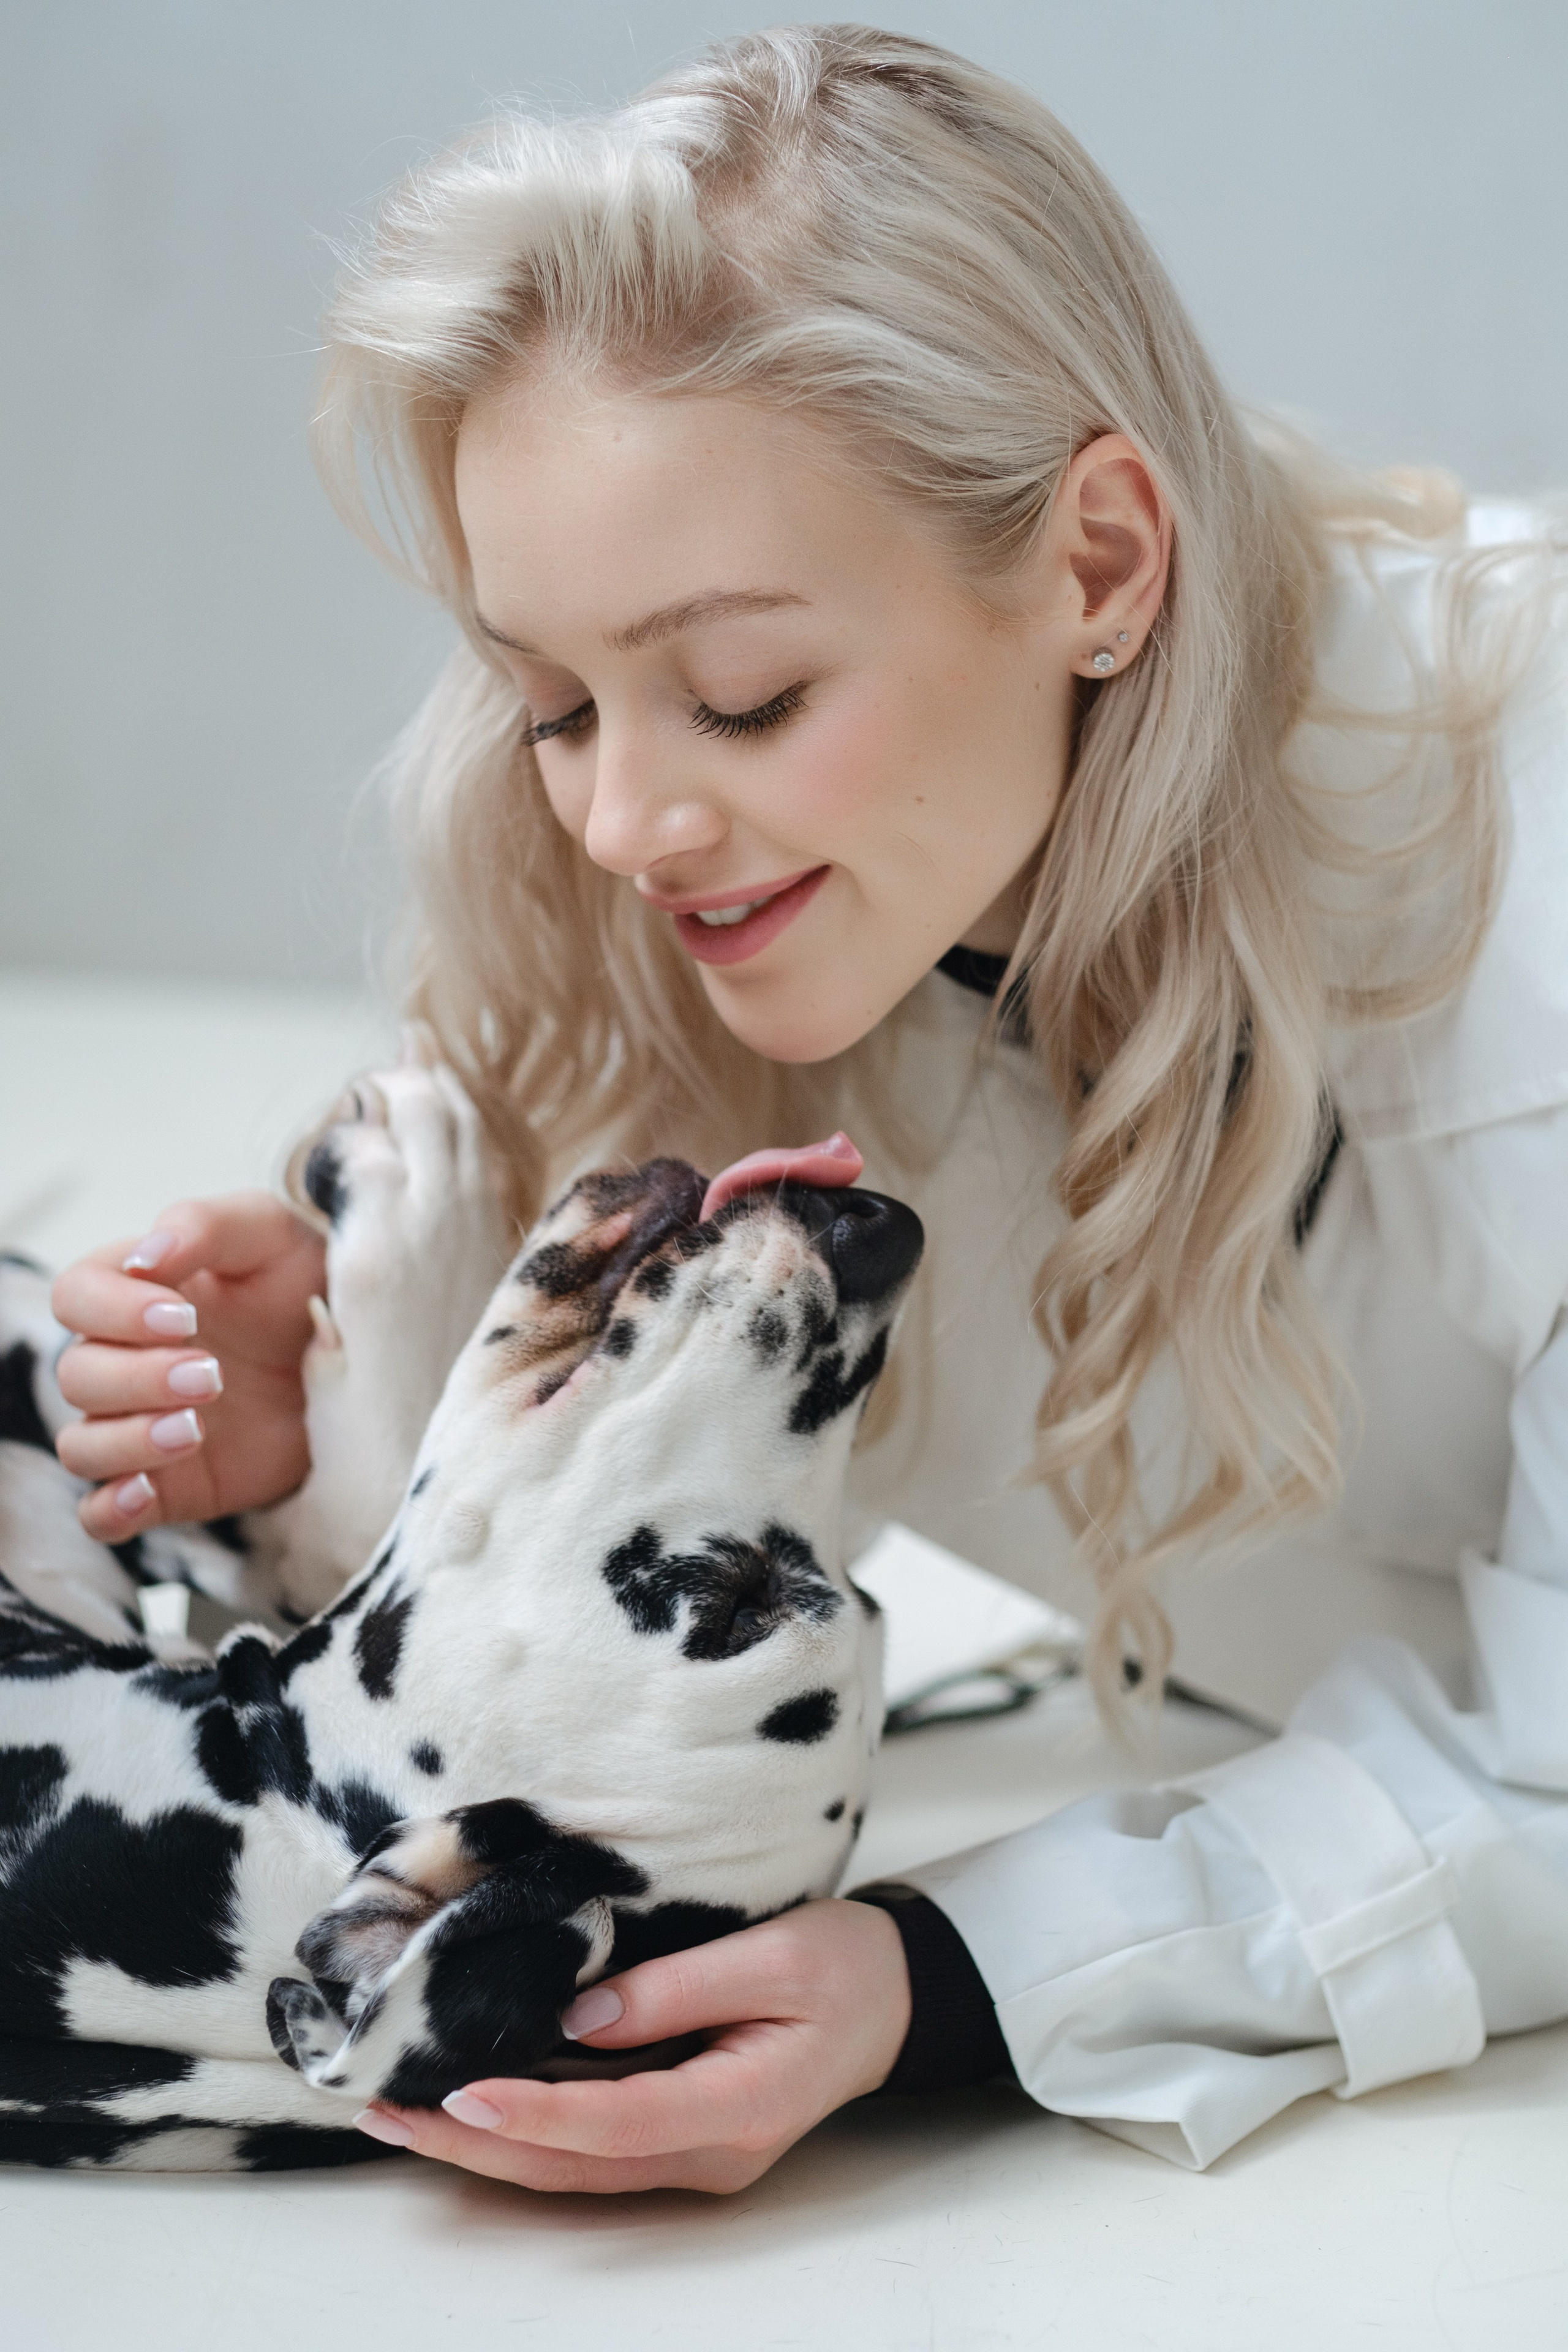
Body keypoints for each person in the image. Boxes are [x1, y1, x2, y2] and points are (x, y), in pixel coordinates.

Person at [49, 25, 1568, 2192]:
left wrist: (940, 1987)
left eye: (745, 695)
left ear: (1102, 563)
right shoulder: (811, 915)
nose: (628, 821)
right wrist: (379, 1445)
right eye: (555, 702)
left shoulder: (1541, 913)